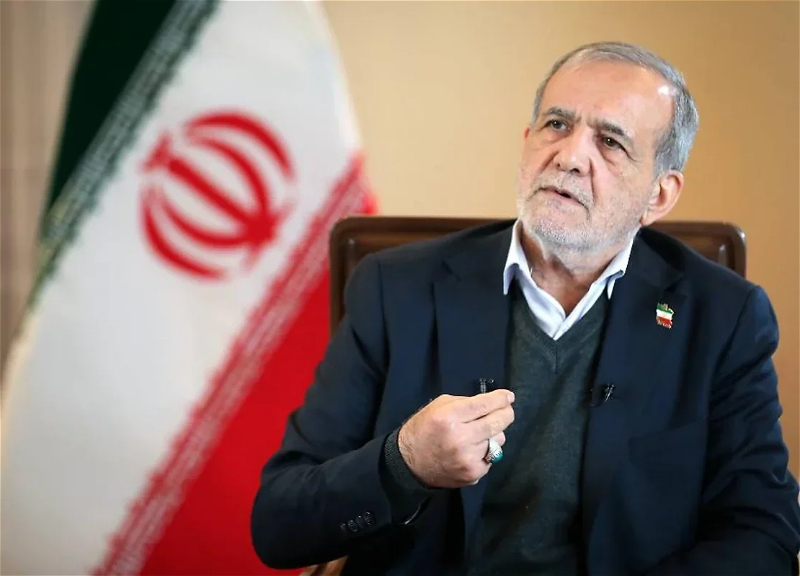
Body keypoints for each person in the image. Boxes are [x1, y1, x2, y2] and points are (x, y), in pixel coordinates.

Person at [250, 41, 800, 575]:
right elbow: (280, 523)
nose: (570, 157)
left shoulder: (724, 318)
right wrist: (405, 462)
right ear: (527, 142)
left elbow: (763, 532)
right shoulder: (395, 288)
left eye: (610, 142)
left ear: (659, 195)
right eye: (557, 124)